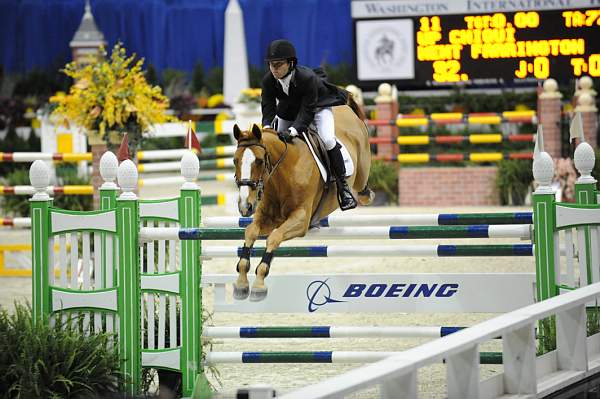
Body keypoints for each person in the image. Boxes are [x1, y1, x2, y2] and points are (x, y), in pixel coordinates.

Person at [260, 39, 357, 211]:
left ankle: (343, 187)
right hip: (289, 112)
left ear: (291, 63)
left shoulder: (307, 78)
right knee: (273, 146)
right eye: (271, 65)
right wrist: (267, 128)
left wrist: (293, 131)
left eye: (278, 64)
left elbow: (307, 111)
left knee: (327, 139)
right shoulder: (268, 80)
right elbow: (268, 106)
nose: (274, 69)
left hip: (317, 108)